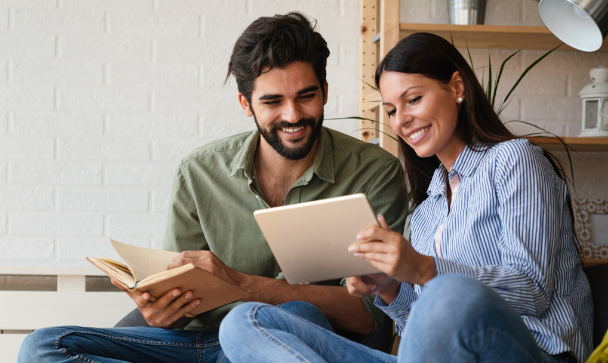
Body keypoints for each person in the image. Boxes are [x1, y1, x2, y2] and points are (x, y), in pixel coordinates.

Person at [17, 12, 408, 363]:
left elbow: (369, 316)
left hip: (282, 345)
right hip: (194, 345)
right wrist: (161, 306)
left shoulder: (374, 173)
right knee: (42, 347)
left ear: (323, 89)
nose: (293, 115)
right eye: (272, 101)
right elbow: (175, 287)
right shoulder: (199, 172)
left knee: (289, 316)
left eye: (306, 96)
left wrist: (243, 285)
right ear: (245, 103)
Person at [218, 32, 594, 363]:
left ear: (457, 87)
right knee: (245, 322)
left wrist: (423, 269)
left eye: (413, 99)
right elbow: (420, 330)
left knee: (448, 292)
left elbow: (533, 291)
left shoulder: (513, 160)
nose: (402, 121)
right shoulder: (428, 208)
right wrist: (389, 285)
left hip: (530, 351)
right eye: (392, 110)